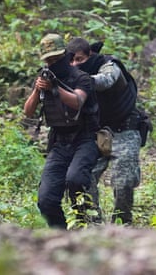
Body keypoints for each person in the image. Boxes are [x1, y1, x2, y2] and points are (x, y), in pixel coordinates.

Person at [24, 33, 100, 229]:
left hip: (84, 138)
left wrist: (55, 87)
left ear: (66, 55)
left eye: (56, 58)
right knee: (46, 199)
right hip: (59, 141)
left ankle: (87, 223)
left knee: (75, 180)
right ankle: (61, 236)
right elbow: (28, 111)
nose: (53, 63)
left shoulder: (82, 78)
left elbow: (77, 102)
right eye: (49, 60)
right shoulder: (45, 77)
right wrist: (37, 88)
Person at [67, 37, 141, 224]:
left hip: (124, 130)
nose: (76, 65)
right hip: (92, 134)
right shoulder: (69, 73)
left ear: (90, 55)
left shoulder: (109, 65)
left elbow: (105, 81)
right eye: (72, 61)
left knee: (123, 182)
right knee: (82, 178)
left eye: (80, 60)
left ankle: (122, 222)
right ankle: (93, 225)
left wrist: (79, 80)